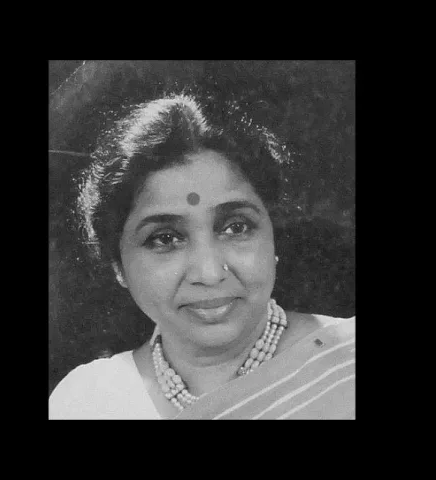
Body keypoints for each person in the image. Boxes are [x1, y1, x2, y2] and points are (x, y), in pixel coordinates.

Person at [49, 92, 355, 420]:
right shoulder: (88, 401)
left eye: (236, 227)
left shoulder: (347, 363)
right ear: (118, 265)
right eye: (165, 238)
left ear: (273, 238)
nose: (209, 273)